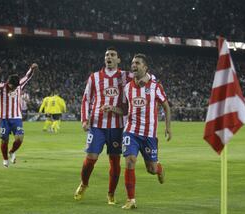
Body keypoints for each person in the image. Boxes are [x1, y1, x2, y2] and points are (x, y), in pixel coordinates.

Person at [74, 47, 127, 205]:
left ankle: (111, 194)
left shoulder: (125, 76)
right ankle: (84, 184)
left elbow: (142, 75)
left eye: (112, 55)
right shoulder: (95, 77)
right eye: (106, 55)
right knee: (91, 157)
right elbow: (85, 100)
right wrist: (84, 120)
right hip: (97, 125)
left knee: (115, 161)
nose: (109, 57)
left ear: (118, 59)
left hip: (117, 126)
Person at [121, 54, 172, 209]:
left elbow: (166, 106)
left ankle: (159, 168)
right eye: (132, 63)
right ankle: (131, 200)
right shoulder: (128, 87)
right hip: (131, 131)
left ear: (145, 67)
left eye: (137, 63)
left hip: (149, 134)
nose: (134, 65)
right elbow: (125, 109)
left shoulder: (155, 86)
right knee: (130, 161)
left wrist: (168, 127)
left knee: (151, 169)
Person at [0, 63, 38, 167]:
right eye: (12, 86)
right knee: (4, 140)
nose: (14, 88)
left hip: (16, 117)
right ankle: (5, 159)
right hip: (4, 119)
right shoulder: (2, 87)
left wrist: (31, 69)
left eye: (15, 87)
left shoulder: (19, 86)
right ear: (8, 83)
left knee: (20, 138)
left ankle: (12, 152)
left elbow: (27, 77)